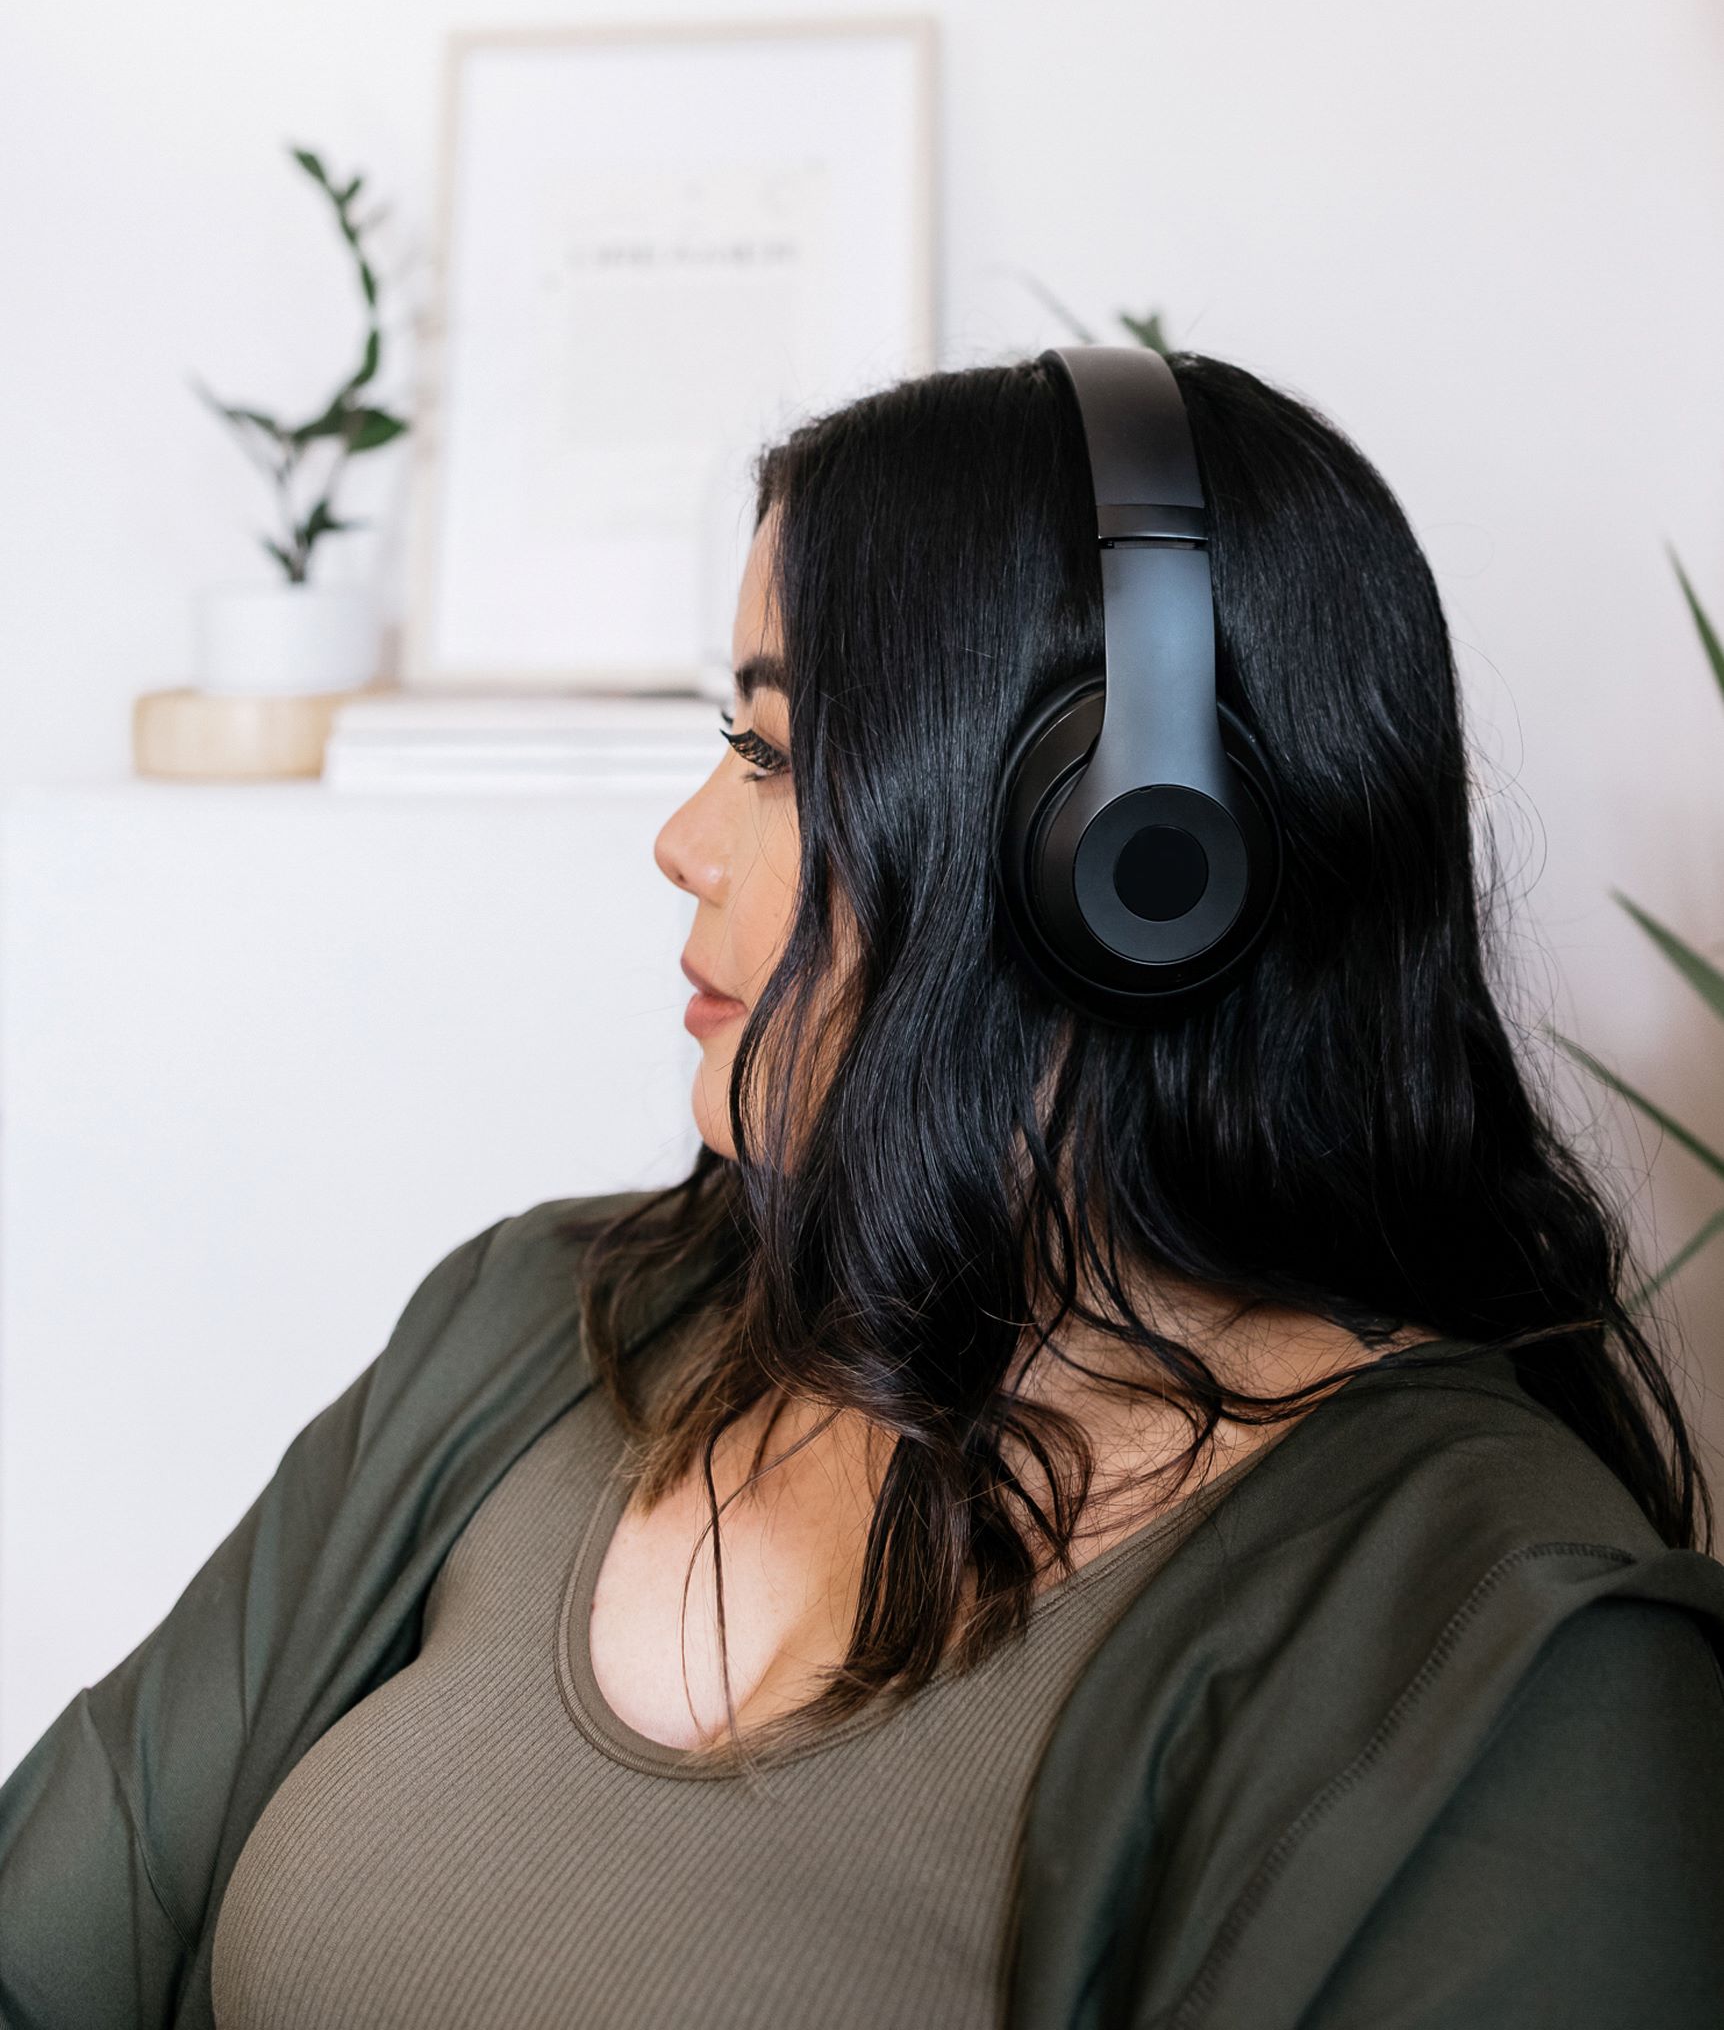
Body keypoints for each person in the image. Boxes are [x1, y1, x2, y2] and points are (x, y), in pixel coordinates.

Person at [4, 350, 1723, 2029]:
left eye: (767, 751)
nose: (684, 835)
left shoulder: (1513, 1662)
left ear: (1131, 863)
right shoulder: (529, 1321)